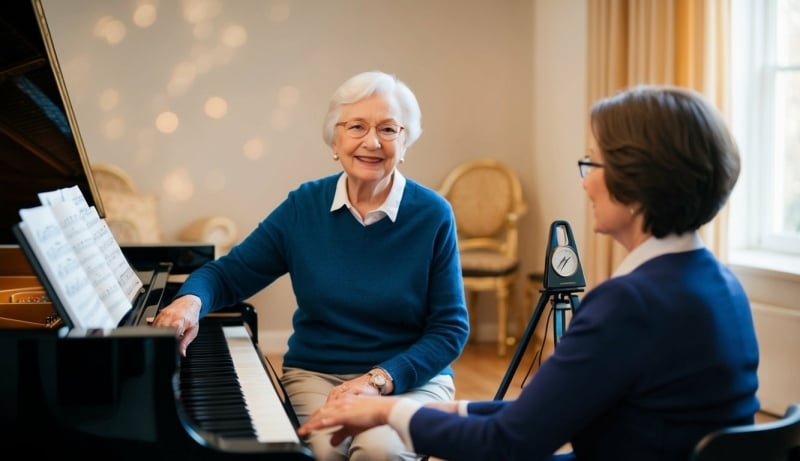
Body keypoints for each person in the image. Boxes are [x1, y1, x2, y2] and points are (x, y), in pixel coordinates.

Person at [297, 84, 761, 461]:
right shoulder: (719, 285)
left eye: (593, 162)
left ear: (637, 180)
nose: (585, 180)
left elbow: (508, 443)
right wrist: (414, 409)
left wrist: (390, 412)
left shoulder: (629, 305)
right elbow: (538, 413)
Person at [152, 70, 470, 461]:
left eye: (388, 129)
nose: (372, 141)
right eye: (357, 126)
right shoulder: (304, 207)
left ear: (404, 142)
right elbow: (226, 274)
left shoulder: (432, 214)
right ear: (334, 140)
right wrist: (191, 301)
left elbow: (450, 328)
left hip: (408, 377)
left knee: (379, 451)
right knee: (322, 450)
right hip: (319, 374)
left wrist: (378, 381)